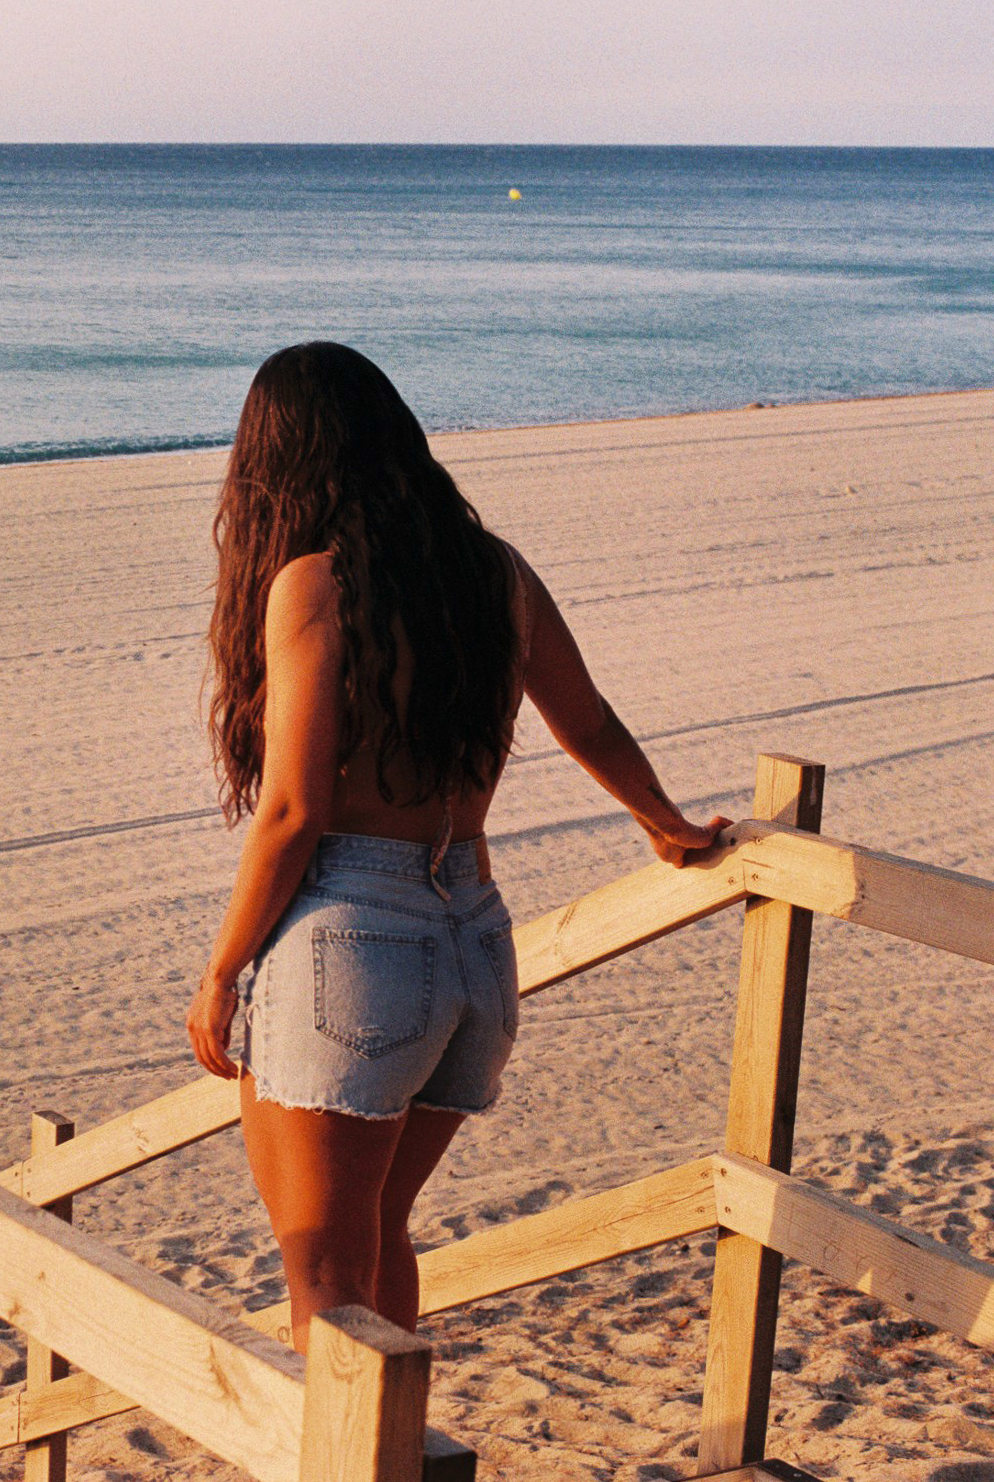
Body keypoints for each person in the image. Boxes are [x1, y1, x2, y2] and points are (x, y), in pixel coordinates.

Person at [182, 342, 729, 1352]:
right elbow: (589, 722)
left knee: (323, 1267)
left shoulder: (313, 585)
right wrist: (667, 824)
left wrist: (220, 972)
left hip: (353, 938)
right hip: (471, 941)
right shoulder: (492, 574)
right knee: (379, 1233)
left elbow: (296, 810)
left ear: (276, 460)